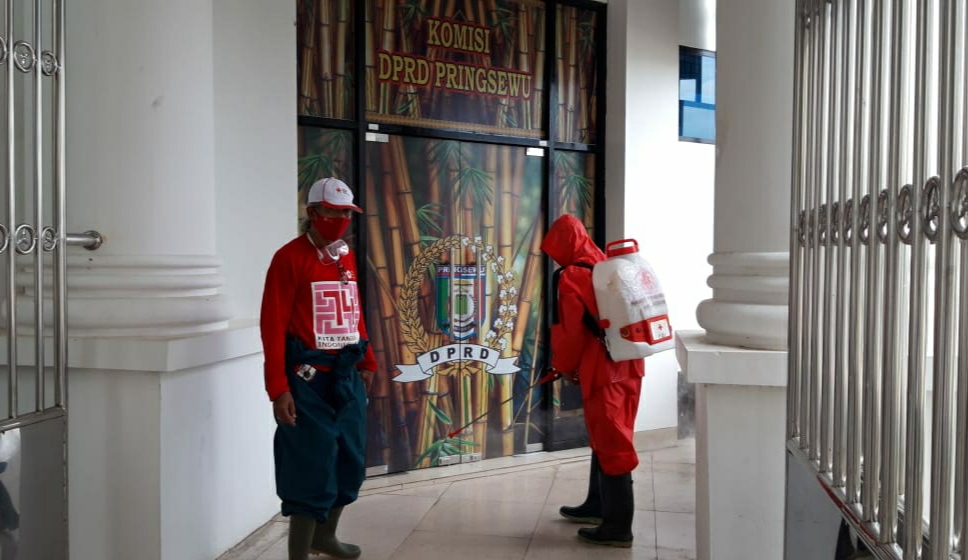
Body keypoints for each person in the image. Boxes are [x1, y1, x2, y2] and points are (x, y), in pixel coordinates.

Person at [260, 177, 378, 560]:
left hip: (345, 375)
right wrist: (278, 388)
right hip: (306, 380)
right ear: (313, 213)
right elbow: (273, 324)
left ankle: (325, 536)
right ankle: (298, 551)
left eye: (347, 213)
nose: (341, 219)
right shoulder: (288, 258)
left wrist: (367, 357)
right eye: (333, 211)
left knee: (350, 459)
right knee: (309, 464)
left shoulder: (343, 256)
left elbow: (353, 311)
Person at [541, 214, 645, 548]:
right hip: (630, 365)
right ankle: (596, 505)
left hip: (603, 371)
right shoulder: (608, 265)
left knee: (612, 441)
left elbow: (571, 333)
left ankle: (618, 527)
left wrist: (563, 366)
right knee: (609, 435)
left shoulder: (573, 275)